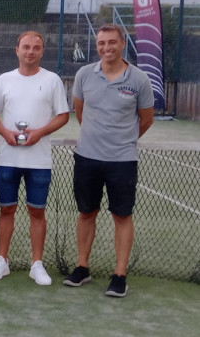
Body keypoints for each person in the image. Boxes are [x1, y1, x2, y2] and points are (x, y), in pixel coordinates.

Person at [63, 23, 154, 297]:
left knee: (122, 215)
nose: (106, 48)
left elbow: (146, 120)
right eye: (101, 43)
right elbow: (80, 112)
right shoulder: (84, 75)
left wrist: (121, 141)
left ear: (122, 43)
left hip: (122, 161)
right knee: (86, 212)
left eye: (111, 42)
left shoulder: (139, 79)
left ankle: (120, 274)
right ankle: (82, 267)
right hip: (87, 158)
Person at [0, 31, 70, 285]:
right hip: (8, 158)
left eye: (36, 48)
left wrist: (39, 133)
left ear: (42, 52)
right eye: (26, 47)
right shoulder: (4, 80)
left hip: (39, 161)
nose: (30, 51)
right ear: (17, 50)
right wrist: (6, 133)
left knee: (37, 212)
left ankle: (37, 264)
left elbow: (63, 115)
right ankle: (2, 261)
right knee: (6, 209)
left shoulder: (53, 80)